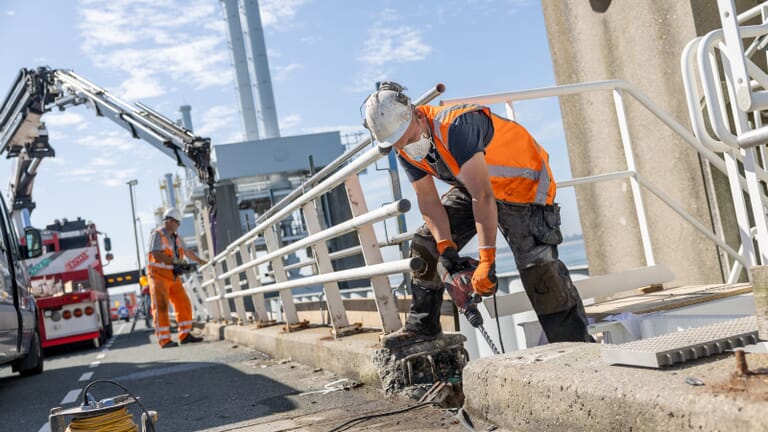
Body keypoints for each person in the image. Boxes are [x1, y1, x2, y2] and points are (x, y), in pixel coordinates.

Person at [362, 81, 593, 347]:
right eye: (398, 145)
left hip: (523, 186)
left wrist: (486, 261)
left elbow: (482, 197)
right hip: (474, 184)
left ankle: (575, 345)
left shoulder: (456, 126)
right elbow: (428, 201)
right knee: (426, 244)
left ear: (416, 113)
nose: (407, 146)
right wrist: (446, 248)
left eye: (409, 139)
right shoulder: (404, 147)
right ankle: (422, 327)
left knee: (538, 268)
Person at [146, 208, 208, 348]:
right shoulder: (157, 235)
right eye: (177, 223)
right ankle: (164, 340)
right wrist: (175, 261)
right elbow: (156, 254)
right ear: (168, 221)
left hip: (173, 277)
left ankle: (185, 335)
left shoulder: (177, 237)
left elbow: (187, 252)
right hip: (158, 277)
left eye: (179, 223)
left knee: (184, 303)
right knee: (161, 307)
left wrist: (200, 261)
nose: (178, 226)